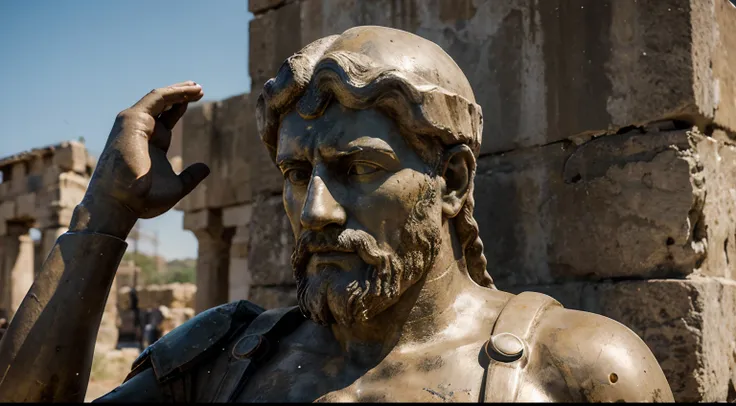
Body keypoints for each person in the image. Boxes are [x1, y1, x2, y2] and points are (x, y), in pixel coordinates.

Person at [0, 26, 674, 402]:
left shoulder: (579, 371)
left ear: (454, 181)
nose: (315, 211)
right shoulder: (222, 363)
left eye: (359, 170)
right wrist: (103, 217)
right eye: (297, 173)